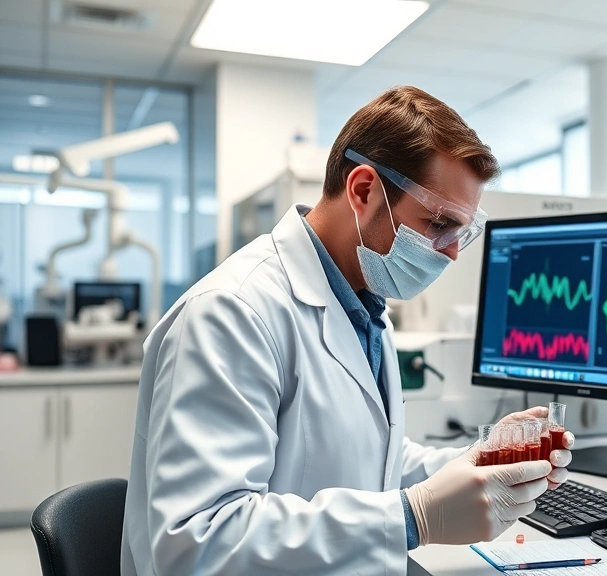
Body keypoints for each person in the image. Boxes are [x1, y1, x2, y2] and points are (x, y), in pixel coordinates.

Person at [121, 86, 574, 575]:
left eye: (462, 232)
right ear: (363, 190)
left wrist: (478, 461)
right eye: (439, 223)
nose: (450, 253)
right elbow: (199, 541)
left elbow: (368, 459)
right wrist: (412, 516)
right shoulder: (230, 312)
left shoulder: (362, 303)